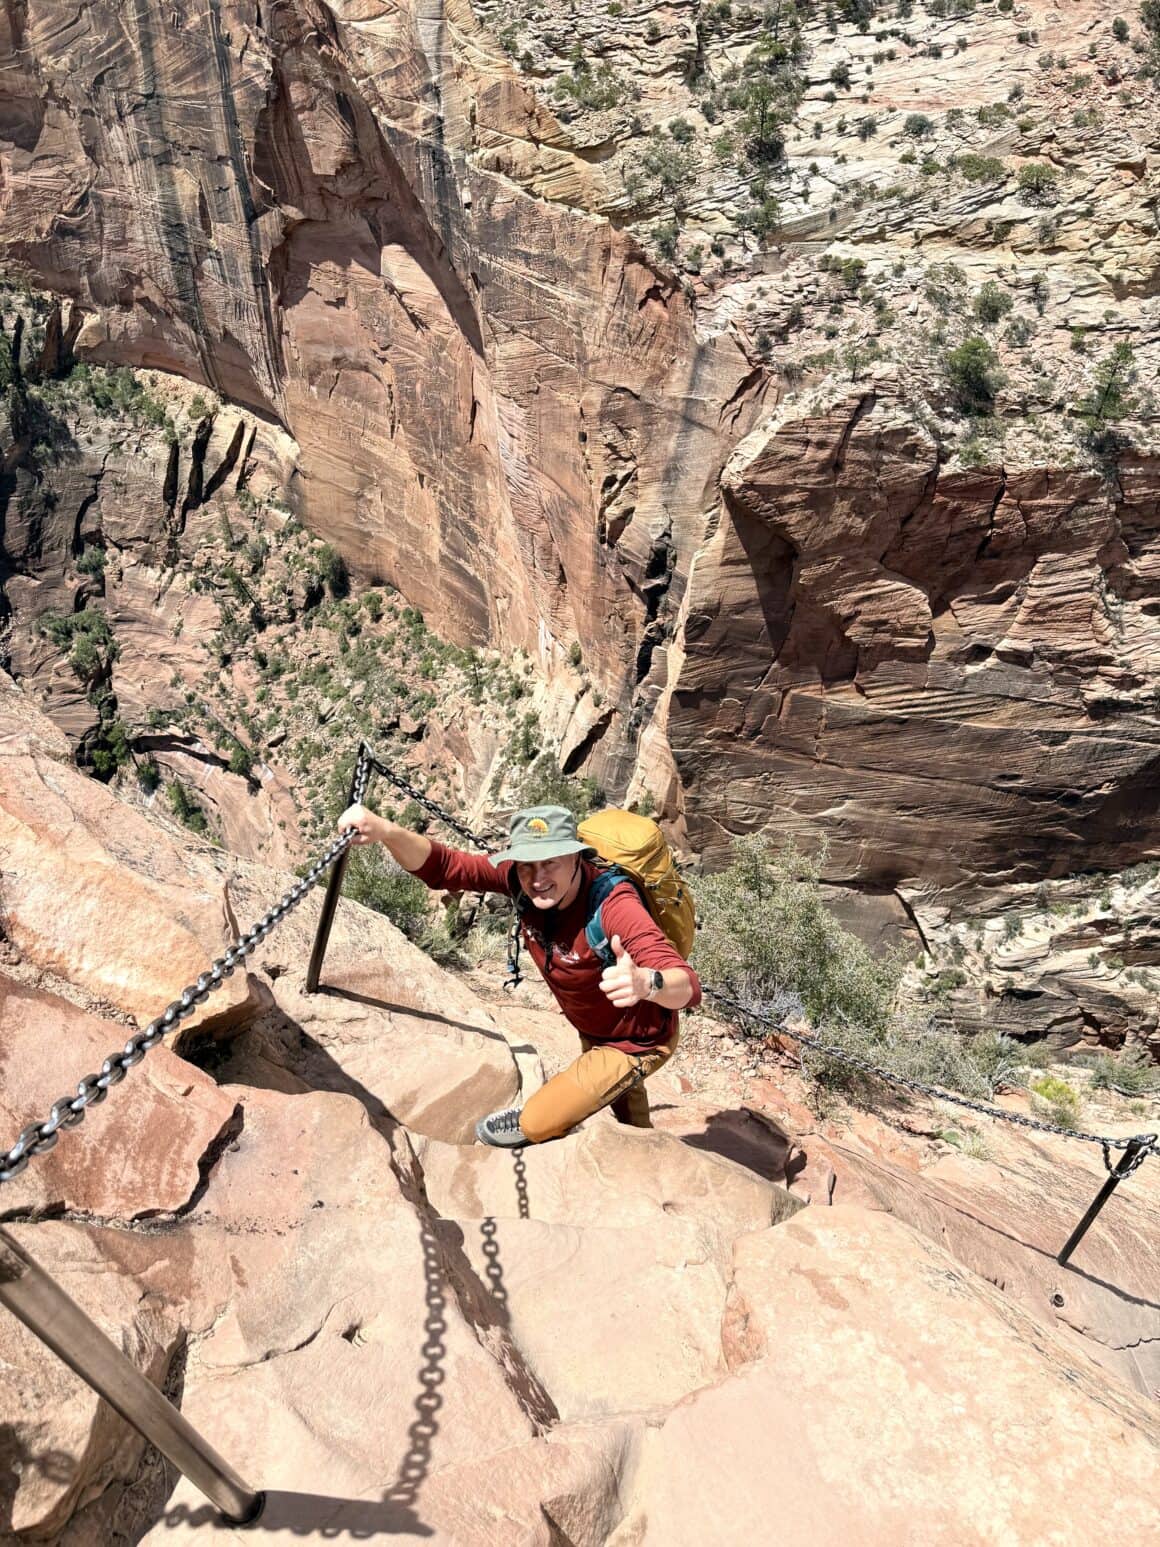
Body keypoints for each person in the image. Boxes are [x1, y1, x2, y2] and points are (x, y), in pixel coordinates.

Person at [337, 802, 701, 1146]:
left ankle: (580, 1126)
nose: (537, 878)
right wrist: (385, 830)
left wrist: (646, 983)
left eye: (550, 863)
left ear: (577, 857)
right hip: (595, 1025)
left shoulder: (614, 906)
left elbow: (685, 983)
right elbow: (445, 866)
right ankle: (643, 1149)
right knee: (625, 1106)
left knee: (537, 1123)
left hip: (638, 1039)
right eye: (526, 864)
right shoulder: (518, 879)